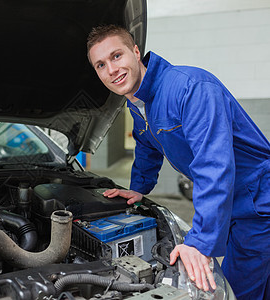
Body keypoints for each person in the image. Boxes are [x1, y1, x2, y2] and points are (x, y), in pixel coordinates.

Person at [87, 24, 270, 299]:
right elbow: (147, 144)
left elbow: (214, 165)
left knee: (236, 289)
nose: (111, 70)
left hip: (258, 201)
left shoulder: (189, 88)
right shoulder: (137, 104)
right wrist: (140, 188)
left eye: (116, 56)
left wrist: (200, 241)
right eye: (100, 65)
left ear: (136, 52)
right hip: (230, 202)